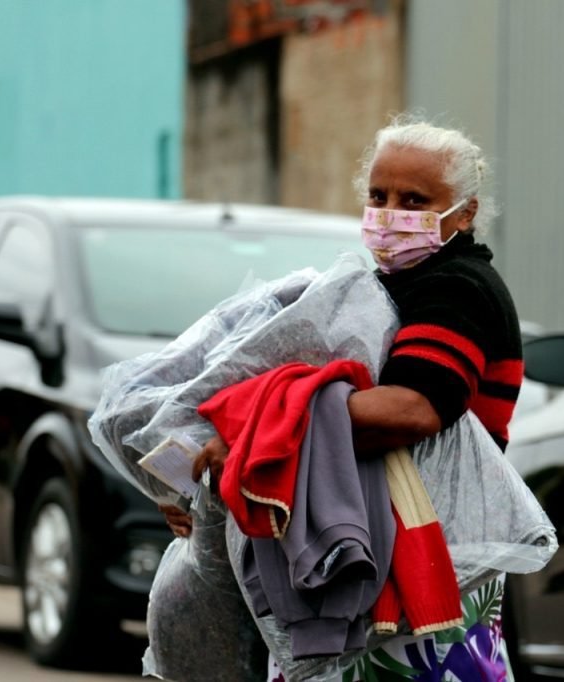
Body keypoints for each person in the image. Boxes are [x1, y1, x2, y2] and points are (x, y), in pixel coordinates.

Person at [162, 116, 523, 680]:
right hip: (377, 553)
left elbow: (412, 407)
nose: (390, 212)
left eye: (414, 198)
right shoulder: (386, 287)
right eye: (379, 195)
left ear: (466, 212)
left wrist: (253, 430)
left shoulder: (458, 288)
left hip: (426, 555)